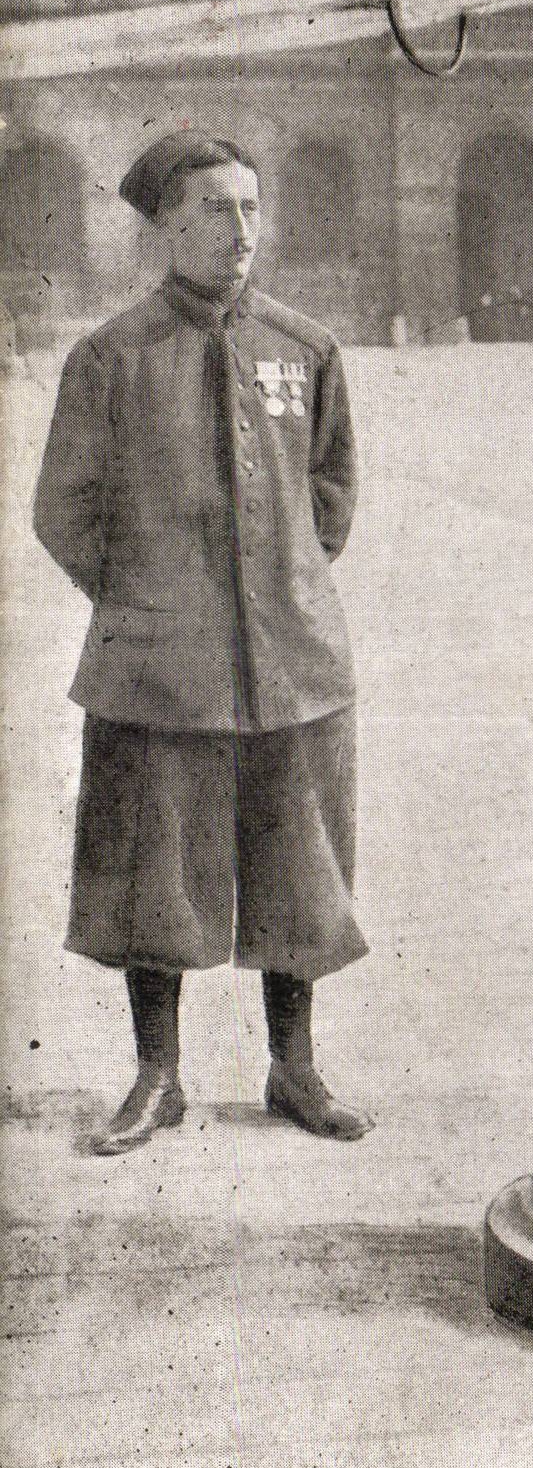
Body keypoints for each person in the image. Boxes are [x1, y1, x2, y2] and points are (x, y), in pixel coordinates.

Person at [34, 130, 374, 1156]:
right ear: (167, 227)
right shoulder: (110, 357)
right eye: (217, 210)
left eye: (252, 209)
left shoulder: (305, 347)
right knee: (156, 872)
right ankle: (157, 1076)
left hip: (291, 662)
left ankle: (295, 1066)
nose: (241, 231)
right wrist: (152, 599)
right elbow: (65, 508)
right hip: (157, 666)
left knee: (300, 870)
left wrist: (280, 589)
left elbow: (331, 490)